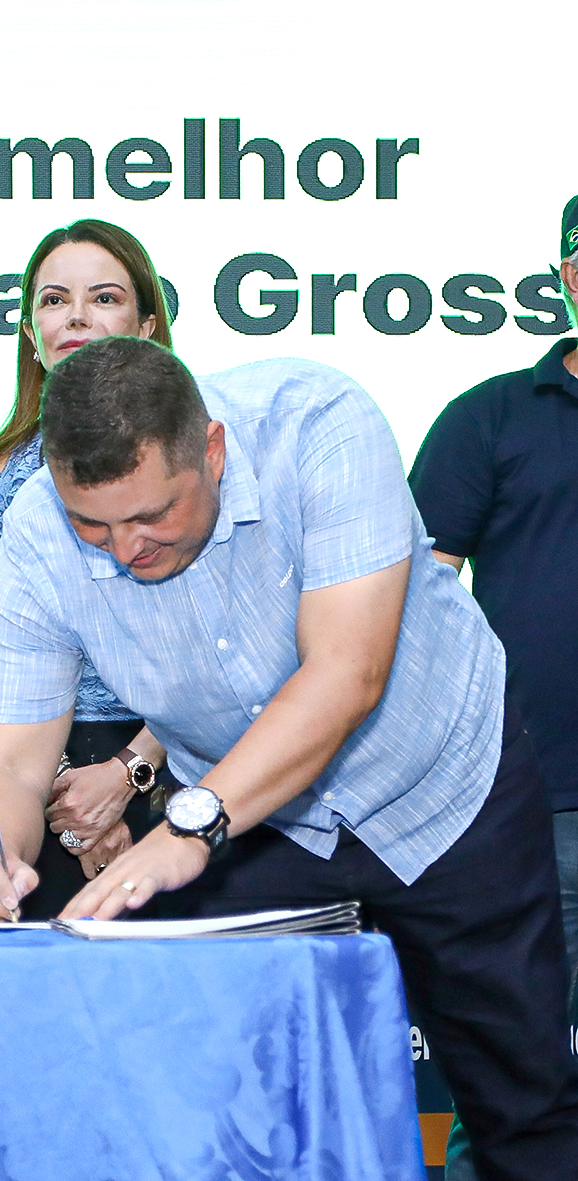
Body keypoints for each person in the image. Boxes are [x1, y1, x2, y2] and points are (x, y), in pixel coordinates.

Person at [0, 335, 578, 1180]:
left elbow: (345, 675)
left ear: (212, 450)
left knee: (521, 1102)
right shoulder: (35, 537)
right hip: (260, 825)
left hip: (443, 791)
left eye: (152, 514)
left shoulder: (319, 423)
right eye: (92, 523)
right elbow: (15, 760)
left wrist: (189, 827)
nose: (125, 547)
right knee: (210, 1101)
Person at [407, 193, 578, 1180]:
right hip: (532, 800)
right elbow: (414, 598)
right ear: (564, 276)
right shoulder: (489, 415)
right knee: (514, 1081)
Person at [0, 220, 177, 916]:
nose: (76, 316)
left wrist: (125, 776)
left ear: (146, 326)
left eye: (103, 297)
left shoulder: (190, 461)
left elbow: (229, 654)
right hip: (22, 776)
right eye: (54, 300)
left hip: (167, 768)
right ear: (29, 332)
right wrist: (64, 794)